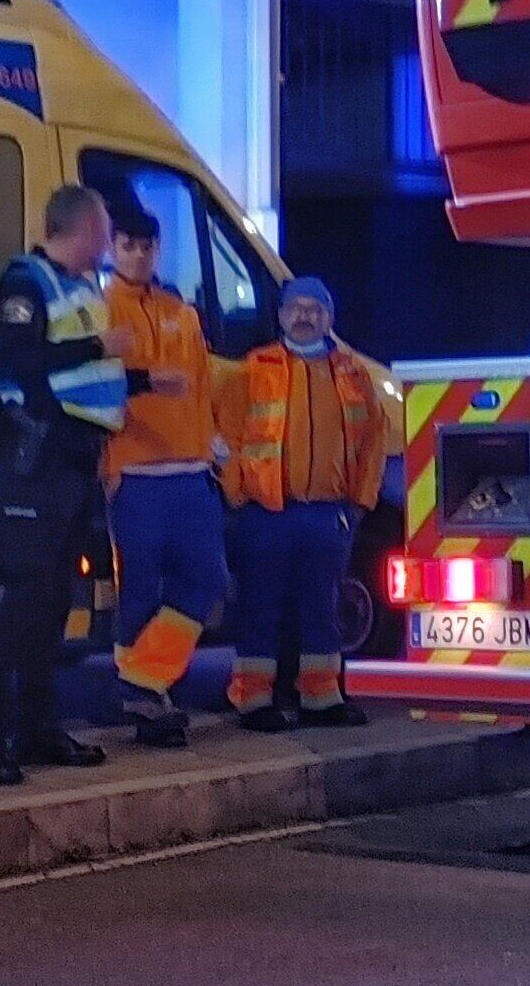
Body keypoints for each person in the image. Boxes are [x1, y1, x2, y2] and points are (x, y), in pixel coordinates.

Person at [0, 184, 135, 785]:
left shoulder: (81, 289)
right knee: (28, 597)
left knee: (54, 601)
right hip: (35, 459)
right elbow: (15, 358)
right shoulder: (25, 284)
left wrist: (139, 381)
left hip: (72, 461)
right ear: (83, 229)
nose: (111, 241)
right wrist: (97, 346)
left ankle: (38, 729)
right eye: (106, 228)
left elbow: (83, 373)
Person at [219, 272, 393, 731]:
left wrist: (359, 502)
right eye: (295, 308)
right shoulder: (255, 369)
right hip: (266, 511)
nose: (303, 316)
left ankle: (321, 698)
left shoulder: (353, 373)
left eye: (314, 309)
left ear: (329, 318)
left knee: (322, 607)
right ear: (279, 316)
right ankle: (254, 701)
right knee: (261, 606)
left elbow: (373, 441)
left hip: (327, 512)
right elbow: (227, 435)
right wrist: (238, 493)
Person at [98, 189, 230, 748]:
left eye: (146, 246)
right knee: (139, 594)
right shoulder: (100, 310)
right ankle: (148, 704)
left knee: (208, 580)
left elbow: (203, 386)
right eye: (127, 246)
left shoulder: (182, 312)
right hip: (135, 473)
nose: (138, 256)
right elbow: (93, 391)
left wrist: (213, 448)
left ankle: (142, 679)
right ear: (113, 249)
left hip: (190, 470)